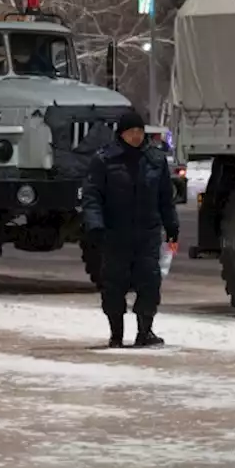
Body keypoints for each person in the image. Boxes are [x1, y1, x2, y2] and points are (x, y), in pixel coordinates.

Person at [81, 109, 180, 347]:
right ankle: (116, 334)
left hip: (147, 234)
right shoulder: (104, 160)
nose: (135, 136)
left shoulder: (155, 160)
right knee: (114, 284)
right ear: (121, 134)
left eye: (139, 131)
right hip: (116, 235)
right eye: (130, 132)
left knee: (149, 282)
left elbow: (165, 198)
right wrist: (95, 225)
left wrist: (172, 226)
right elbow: (92, 196)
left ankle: (145, 331)